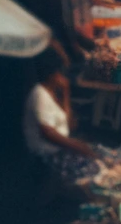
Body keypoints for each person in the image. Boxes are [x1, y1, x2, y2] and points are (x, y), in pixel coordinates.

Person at [25, 50, 96, 183]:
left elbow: (70, 125)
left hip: (61, 149)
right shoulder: (39, 95)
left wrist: (65, 93)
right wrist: (78, 146)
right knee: (92, 169)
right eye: (59, 71)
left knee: (101, 157)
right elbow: (48, 133)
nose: (62, 76)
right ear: (50, 74)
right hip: (47, 156)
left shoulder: (52, 92)